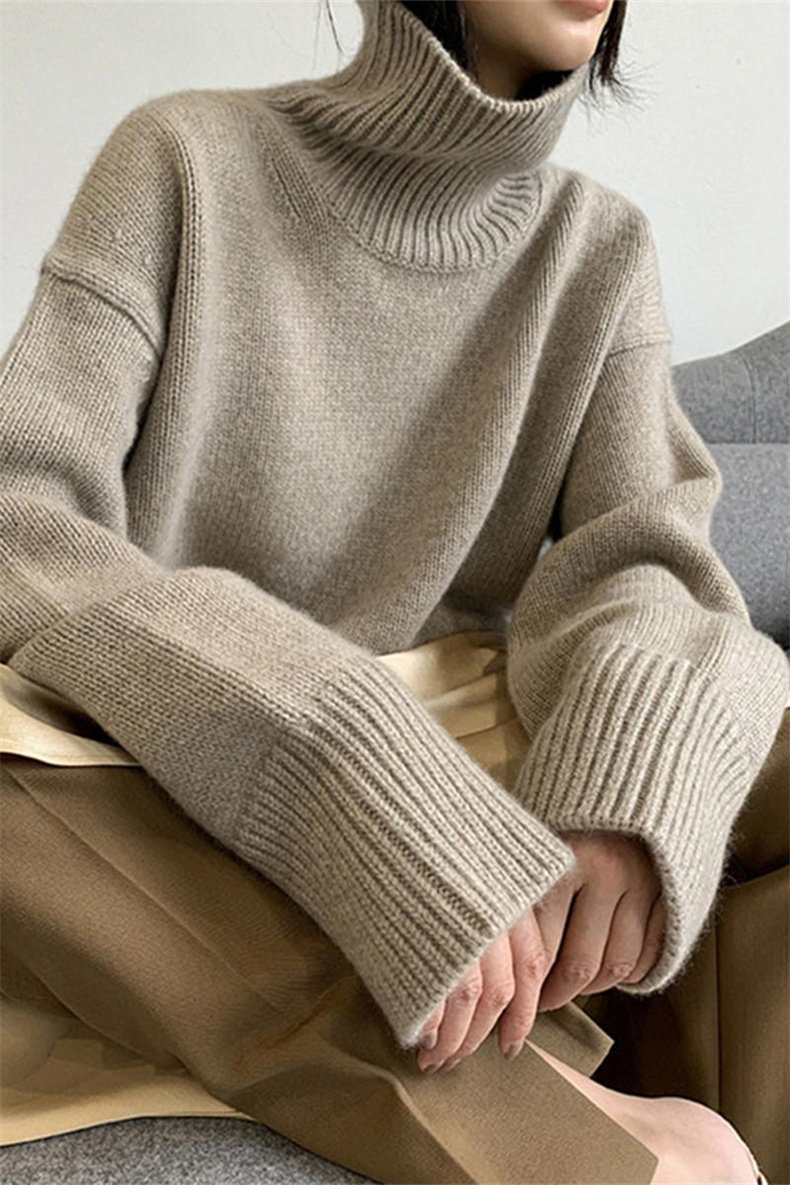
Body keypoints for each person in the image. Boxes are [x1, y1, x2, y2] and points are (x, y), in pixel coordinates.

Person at [0, 0, 786, 1181]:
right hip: (168, 764)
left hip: (478, 756)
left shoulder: (597, 246)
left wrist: (634, 775)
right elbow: (20, 520)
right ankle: (560, 1124)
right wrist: (337, 749)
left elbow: (649, 562)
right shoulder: (183, 162)